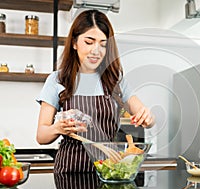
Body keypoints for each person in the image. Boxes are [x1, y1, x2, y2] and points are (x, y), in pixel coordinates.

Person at [36, 9, 155, 173]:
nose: (96, 50)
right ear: (74, 43)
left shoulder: (115, 80)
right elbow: (41, 136)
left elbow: (147, 119)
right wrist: (58, 128)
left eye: (103, 44)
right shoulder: (57, 79)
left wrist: (148, 117)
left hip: (109, 168)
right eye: (89, 42)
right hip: (70, 171)